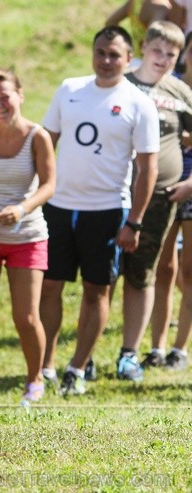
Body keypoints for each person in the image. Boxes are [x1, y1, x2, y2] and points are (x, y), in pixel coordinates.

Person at [39, 25, 160, 396]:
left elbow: (147, 168)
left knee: (97, 292)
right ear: (93, 54)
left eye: (114, 55)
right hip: (59, 208)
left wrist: (134, 221)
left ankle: (77, 368)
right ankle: (44, 366)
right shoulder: (69, 89)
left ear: (128, 58)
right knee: (49, 287)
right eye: (101, 53)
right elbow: (44, 144)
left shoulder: (139, 103)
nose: (106, 61)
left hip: (107, 211)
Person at [0, 69, 56, 403]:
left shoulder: (37, 136)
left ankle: (35, 381)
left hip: (28, 235)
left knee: (26, 316)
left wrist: (21, 208)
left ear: (20, 94)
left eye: (5, 97)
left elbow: (49, 185)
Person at [118, 21, 192, 381]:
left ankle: (128, 355)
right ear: (144, 47)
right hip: (112, 194)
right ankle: (81, 360)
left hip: (163, 197)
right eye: (157, 50)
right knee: (101, 277)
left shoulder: (179, 91)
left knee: (145, 272)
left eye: (171, 54)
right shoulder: (122, 82)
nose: (162, 59)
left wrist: (190, 183)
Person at [148, 30, 192, 371]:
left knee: (189, 271)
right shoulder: (168, 89)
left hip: (190, 187)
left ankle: (180, 348)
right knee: (162, 269)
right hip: (163, 187)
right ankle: (157, 347)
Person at [106, 0, 173, 52]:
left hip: (132, 59)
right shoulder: (161, 8)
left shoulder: (135, 2)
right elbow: (151, 40)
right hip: (149, 65)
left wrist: (122, 47)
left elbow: (110, 22)